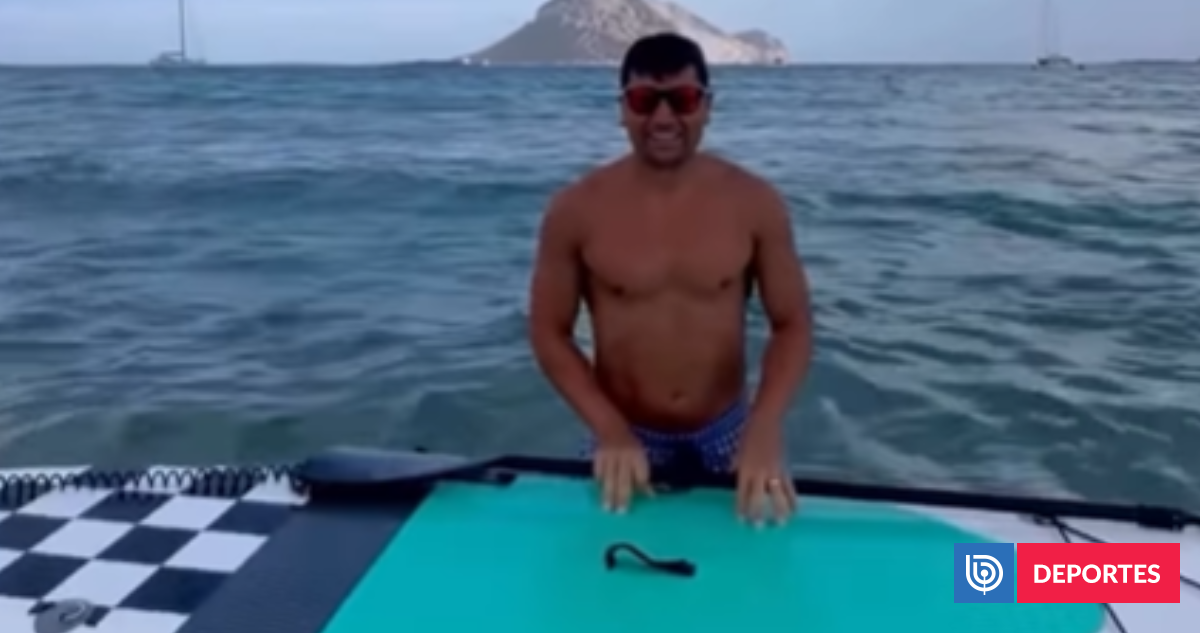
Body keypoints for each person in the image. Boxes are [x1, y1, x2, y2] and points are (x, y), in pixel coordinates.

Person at [527, 32, 814, 526]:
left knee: (756, 557)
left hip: (730, 428)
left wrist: (765, 426)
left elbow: (792, 324)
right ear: (623, 110)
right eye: (644, 101)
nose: (663, 119)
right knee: (601, 560)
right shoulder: (576, 209)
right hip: (624, 431)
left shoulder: (754, 203)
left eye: (682, 99)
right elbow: (548, 332)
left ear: (707, 107)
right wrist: (609, 431)